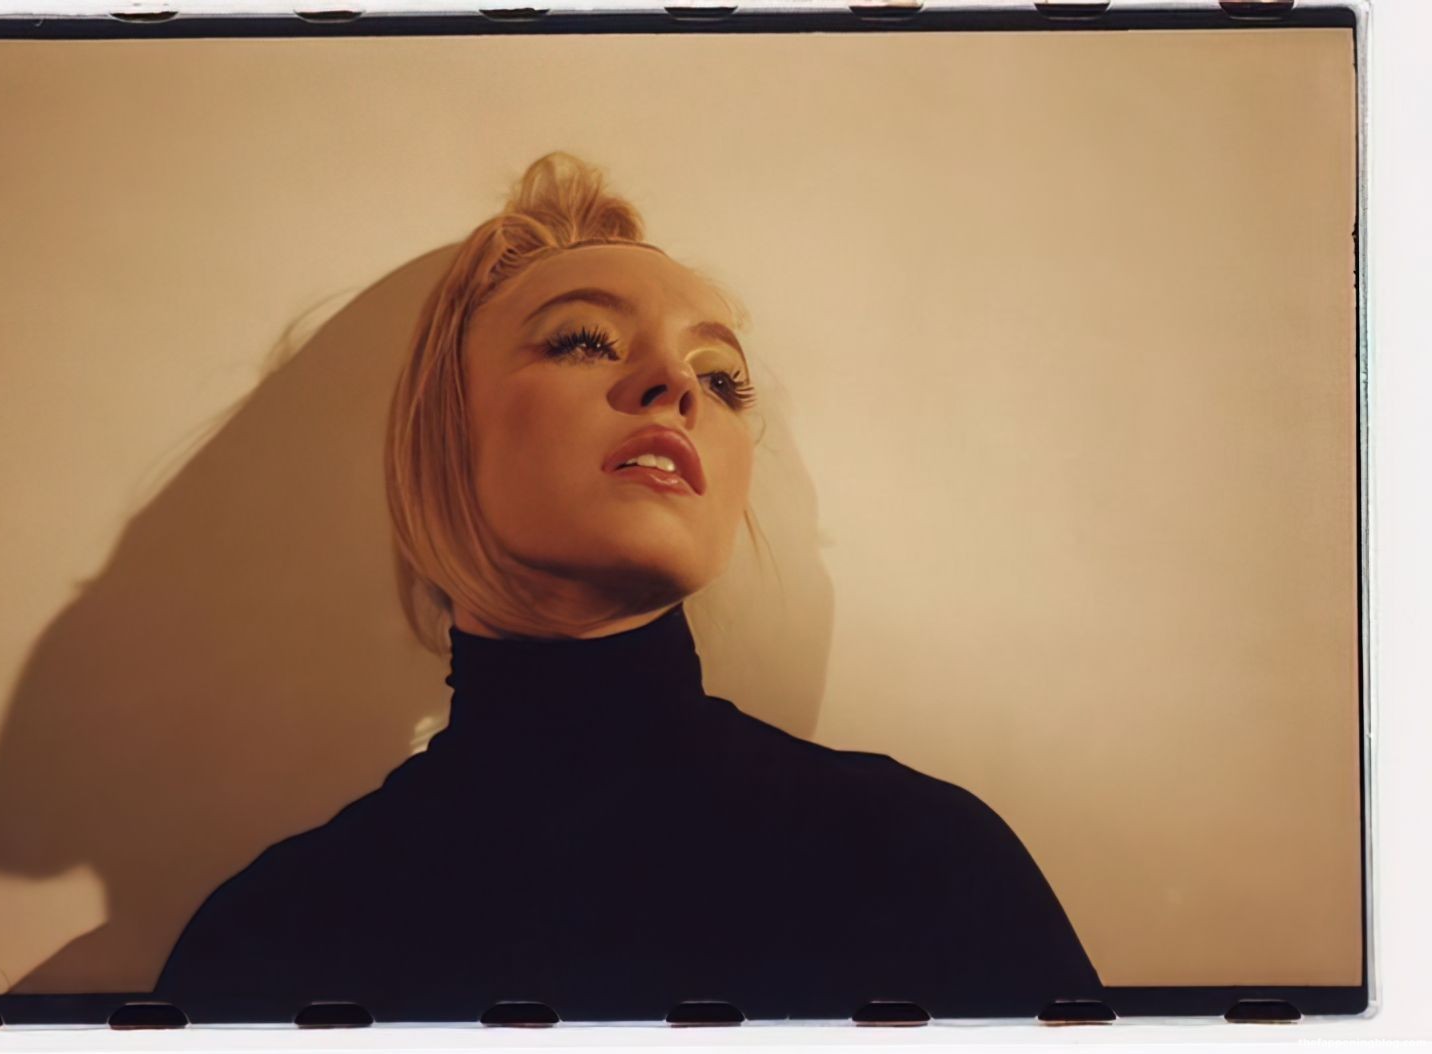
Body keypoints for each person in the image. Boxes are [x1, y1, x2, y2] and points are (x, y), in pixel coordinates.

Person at [150, 151, 1101, 1023]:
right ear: (444, 431)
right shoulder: (270, 941)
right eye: (583, 341)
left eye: (720, 379)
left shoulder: (926, 862)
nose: (673, 386)